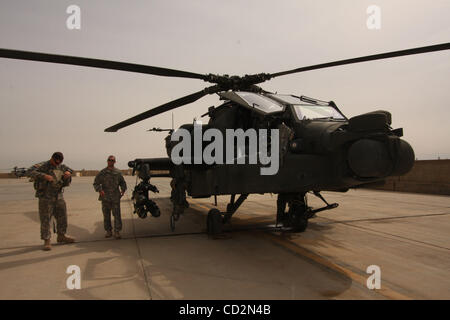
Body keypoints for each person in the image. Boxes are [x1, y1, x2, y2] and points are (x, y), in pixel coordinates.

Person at [26, 152, 75, 251]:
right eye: (55, 162)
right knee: (46, 219)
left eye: (59, 162)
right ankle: (47, 240)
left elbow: (70, 170)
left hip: (59, 196)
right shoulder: (42, 165)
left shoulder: (61, 166)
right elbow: (29, 171)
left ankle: (61, 236)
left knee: (62, 217)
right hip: (45, 197)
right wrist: (43, 176)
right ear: (52, 159)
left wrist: (68, 174)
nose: (57, 164)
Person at [93, 155, 127, 239]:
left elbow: (122, 182)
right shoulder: (102, 172)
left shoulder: (118, 172)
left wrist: (123, 190)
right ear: (107, 161)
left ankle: (117, 231)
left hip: (115, 197)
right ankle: (108, 231)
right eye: (109, 160)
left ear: (115, 162)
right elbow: (96, 183)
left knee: (117, 215)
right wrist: (100, 190)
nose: (111, 161)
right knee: (106, 215)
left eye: (112, 160)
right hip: (105, 197)